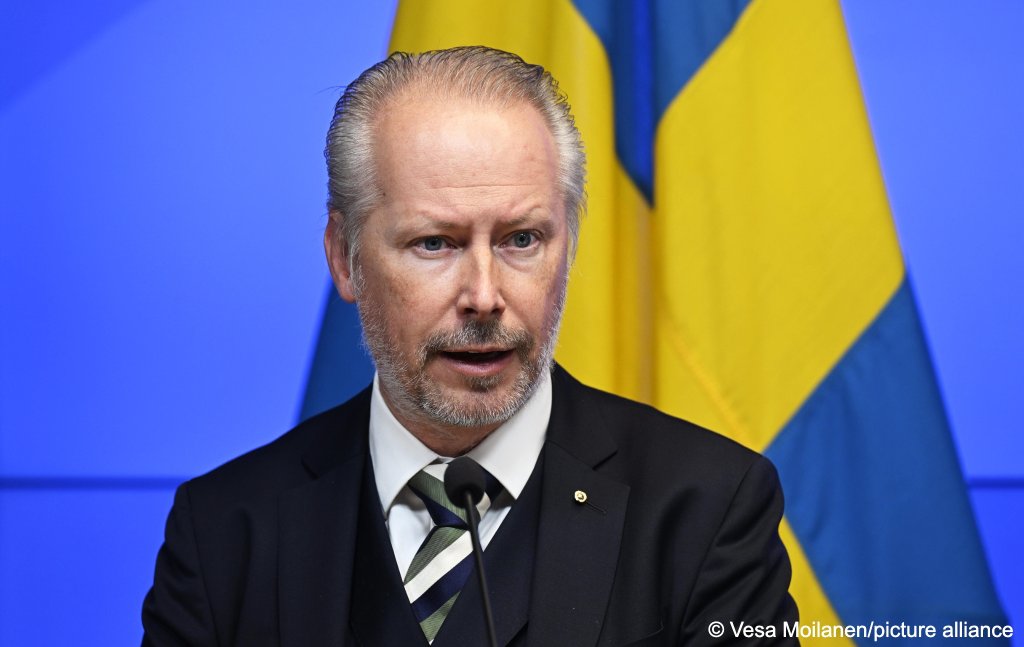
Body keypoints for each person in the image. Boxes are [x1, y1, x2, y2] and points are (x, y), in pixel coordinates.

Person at [142, 46, 798, 646]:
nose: (484, 295)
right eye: (436, 243)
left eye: (521, 239)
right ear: (345, 260)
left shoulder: (708, 509)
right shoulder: (226, 531)